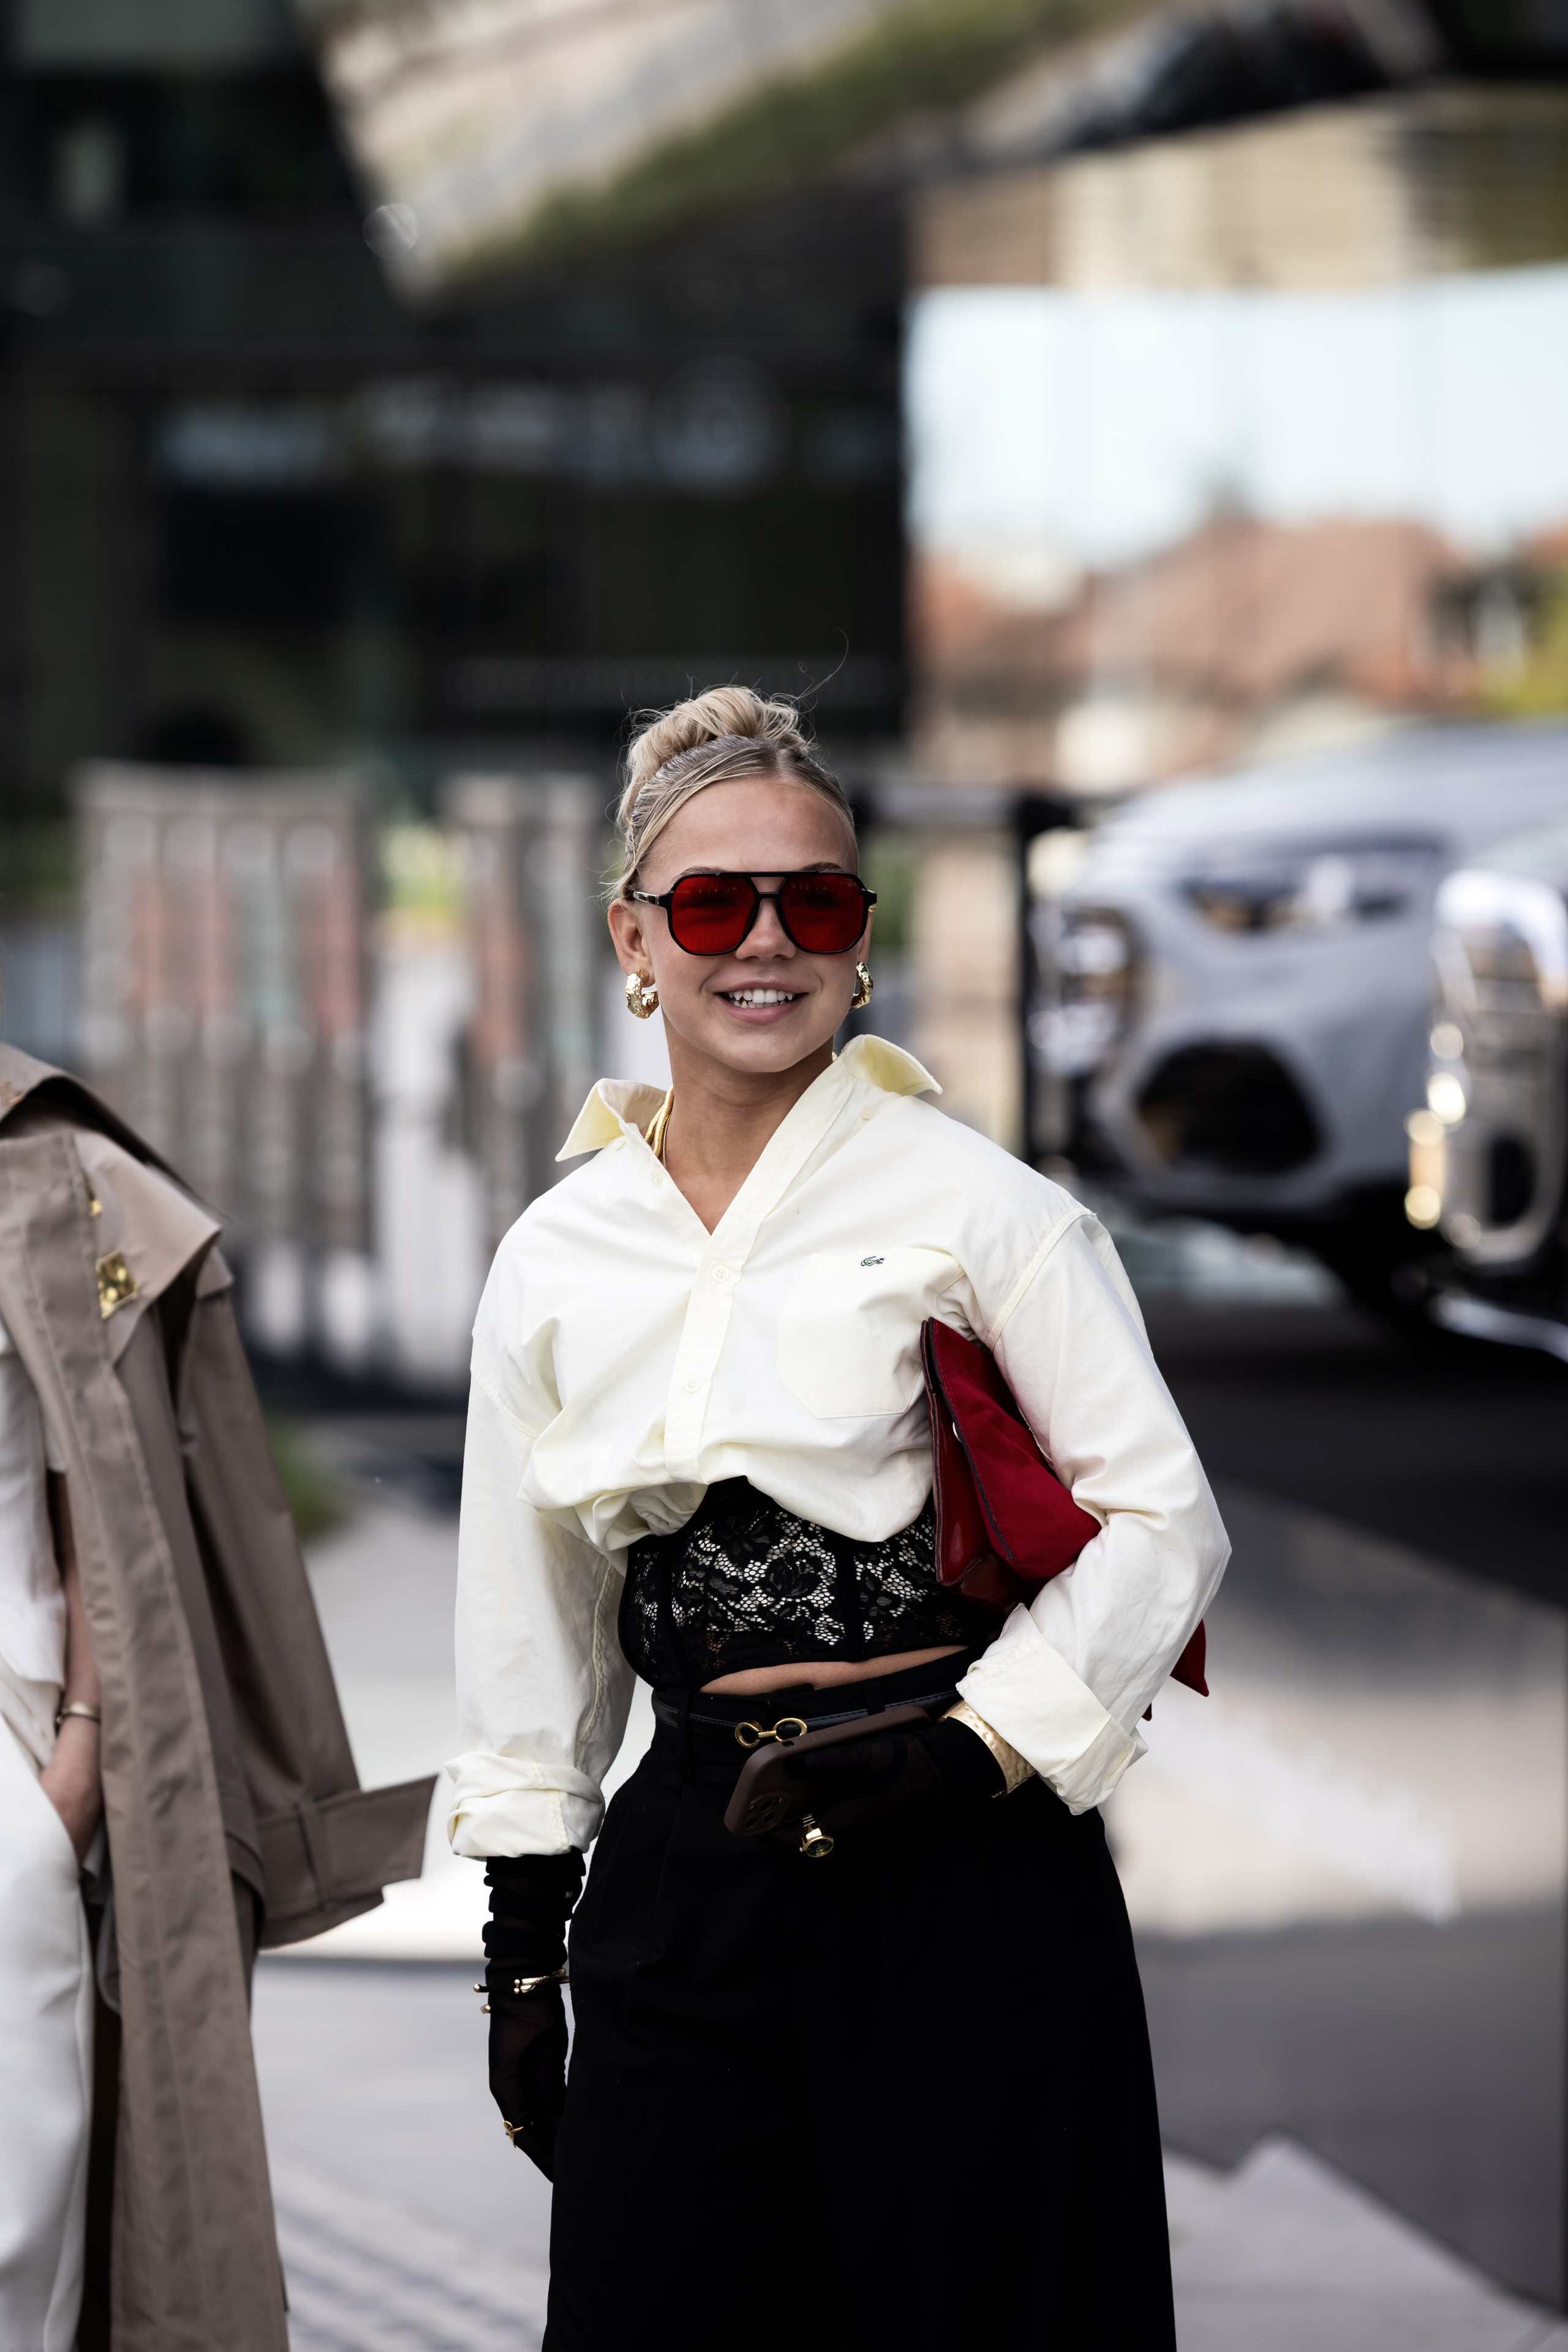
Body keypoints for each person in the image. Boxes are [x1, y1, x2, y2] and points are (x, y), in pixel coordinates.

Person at [448, 687, 1230, 2351]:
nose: (769, 942)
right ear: (633, 939)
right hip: (687, 1879)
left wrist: (963, 1754)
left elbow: (1165, 1525)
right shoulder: (555, 1254)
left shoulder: (985, 1206)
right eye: (717, 902)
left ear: (861, 941)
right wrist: (522, 1952)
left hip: (966, 1876)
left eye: (817, 900)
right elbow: (527, 1626)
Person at [0, 1042, 434, 2352]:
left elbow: (108, 1500)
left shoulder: (45, 1168)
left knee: (22, 2231)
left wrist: (72, 1769)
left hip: (10, 1780)